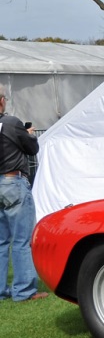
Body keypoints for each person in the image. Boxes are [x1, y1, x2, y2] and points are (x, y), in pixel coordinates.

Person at [0, 85, 46, 302]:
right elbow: (31, 148)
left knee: (1, 242)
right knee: (21, 239)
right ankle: (24, 291)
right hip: (12, 181)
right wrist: (28, 135)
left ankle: (1, 290)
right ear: (1, 101)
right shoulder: (10, 123)